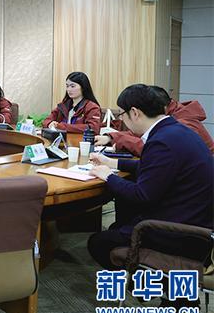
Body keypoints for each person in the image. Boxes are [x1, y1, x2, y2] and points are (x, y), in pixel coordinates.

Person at [87, 84, 213, 274]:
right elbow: (155, 167)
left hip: (179, 230)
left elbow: (142, 195)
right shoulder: (177, 130)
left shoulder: (161, 141)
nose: (122, 120)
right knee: (119, 224)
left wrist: (108, 176)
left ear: (135, 113)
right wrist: (112, 163)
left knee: (98, 243)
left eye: (122, 115)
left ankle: (151, 283)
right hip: (196, 217)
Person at [95, 85, 214, 156]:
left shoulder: (184, 125)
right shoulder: (168, 118)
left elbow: (154, 148)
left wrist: (121, 141)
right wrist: (112, 137)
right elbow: (140, 134)